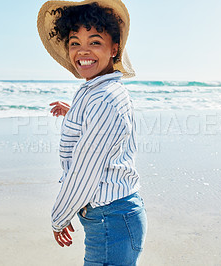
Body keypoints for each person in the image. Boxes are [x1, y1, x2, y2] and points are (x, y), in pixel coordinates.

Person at [37, 1, 147, 265]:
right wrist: (75, 112)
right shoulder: (99, 92)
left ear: (114, 48)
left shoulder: (103, 100)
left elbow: (84, 172)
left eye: (95, 42)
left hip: (111, 219)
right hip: (114, 216)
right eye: (75, 43)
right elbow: (100, 127)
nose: (82, 51)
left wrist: (59, 216)